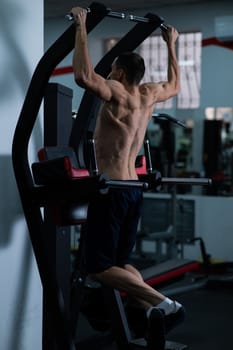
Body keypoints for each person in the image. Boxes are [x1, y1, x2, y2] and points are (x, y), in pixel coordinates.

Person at [71, 6, 184, 349]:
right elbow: (176, 85)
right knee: (121, 263)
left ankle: (162, 303)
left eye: (113, 69)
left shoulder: (116, 93)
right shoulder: (148, 95)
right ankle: (149, 310)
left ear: (118, 71)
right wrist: (171, 44)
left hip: (112, 190)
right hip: (132, 189)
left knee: (98, 269)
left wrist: (81, 27)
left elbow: (83, 76)